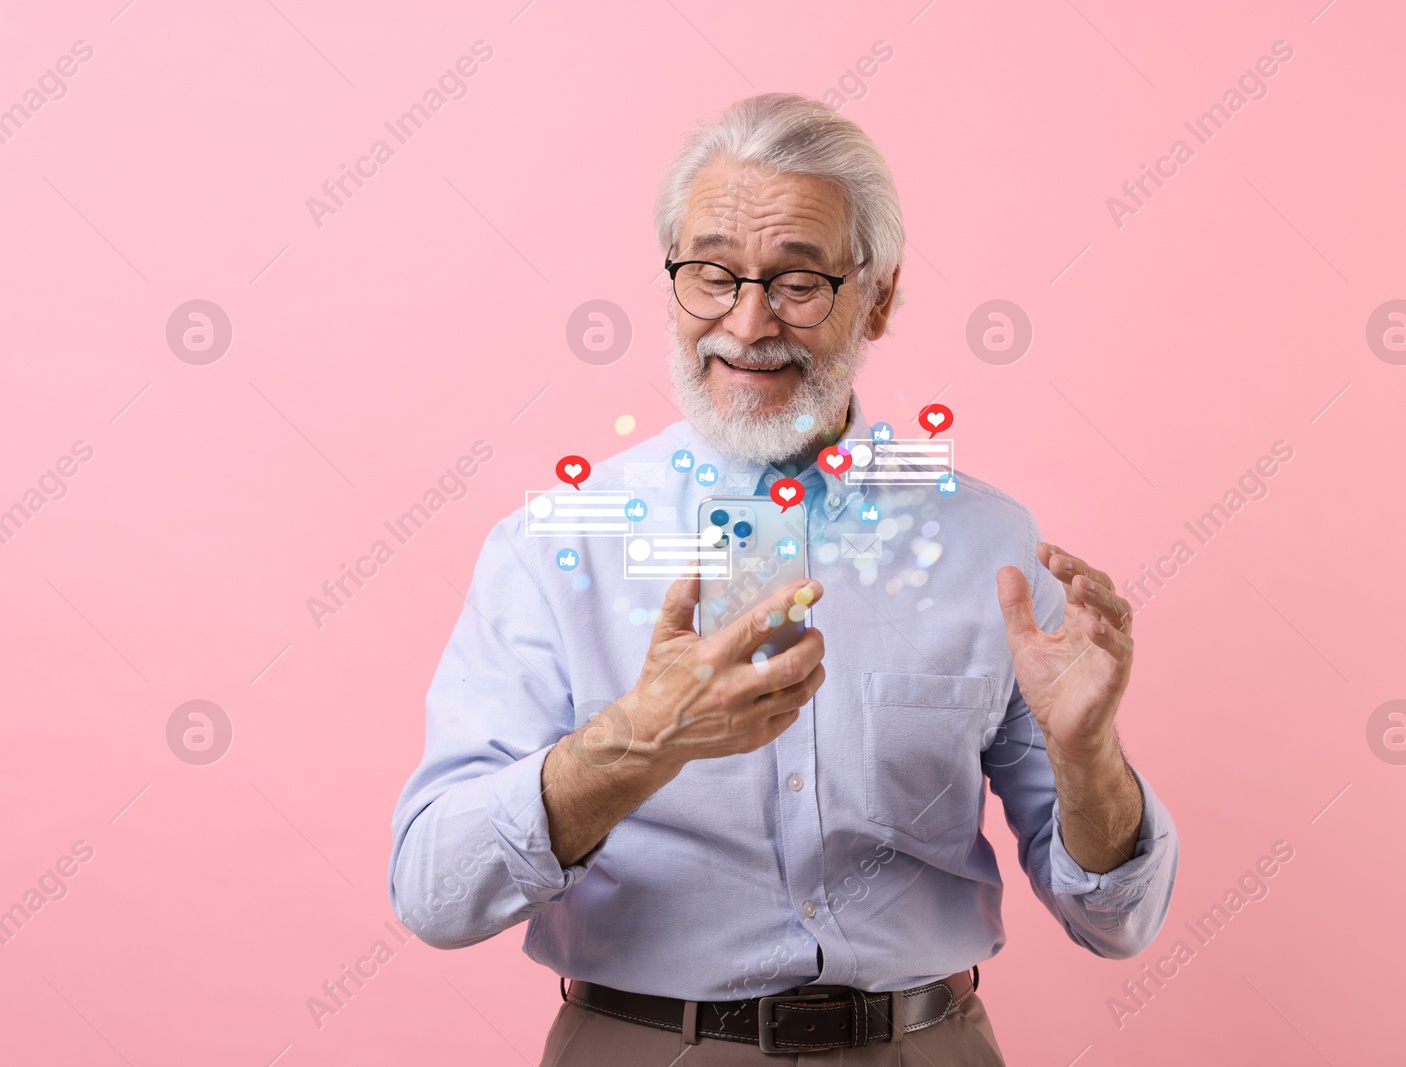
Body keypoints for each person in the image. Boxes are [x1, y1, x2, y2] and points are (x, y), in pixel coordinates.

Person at [389, 92, 1178, 1064]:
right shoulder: (556, 542)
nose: (747, 322)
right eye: (712, 275)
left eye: (798, 283)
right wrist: (635, 742)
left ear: (878, 295)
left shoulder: (989, 542)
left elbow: (1116, 921)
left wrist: (1088, 754)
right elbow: (433, 891)